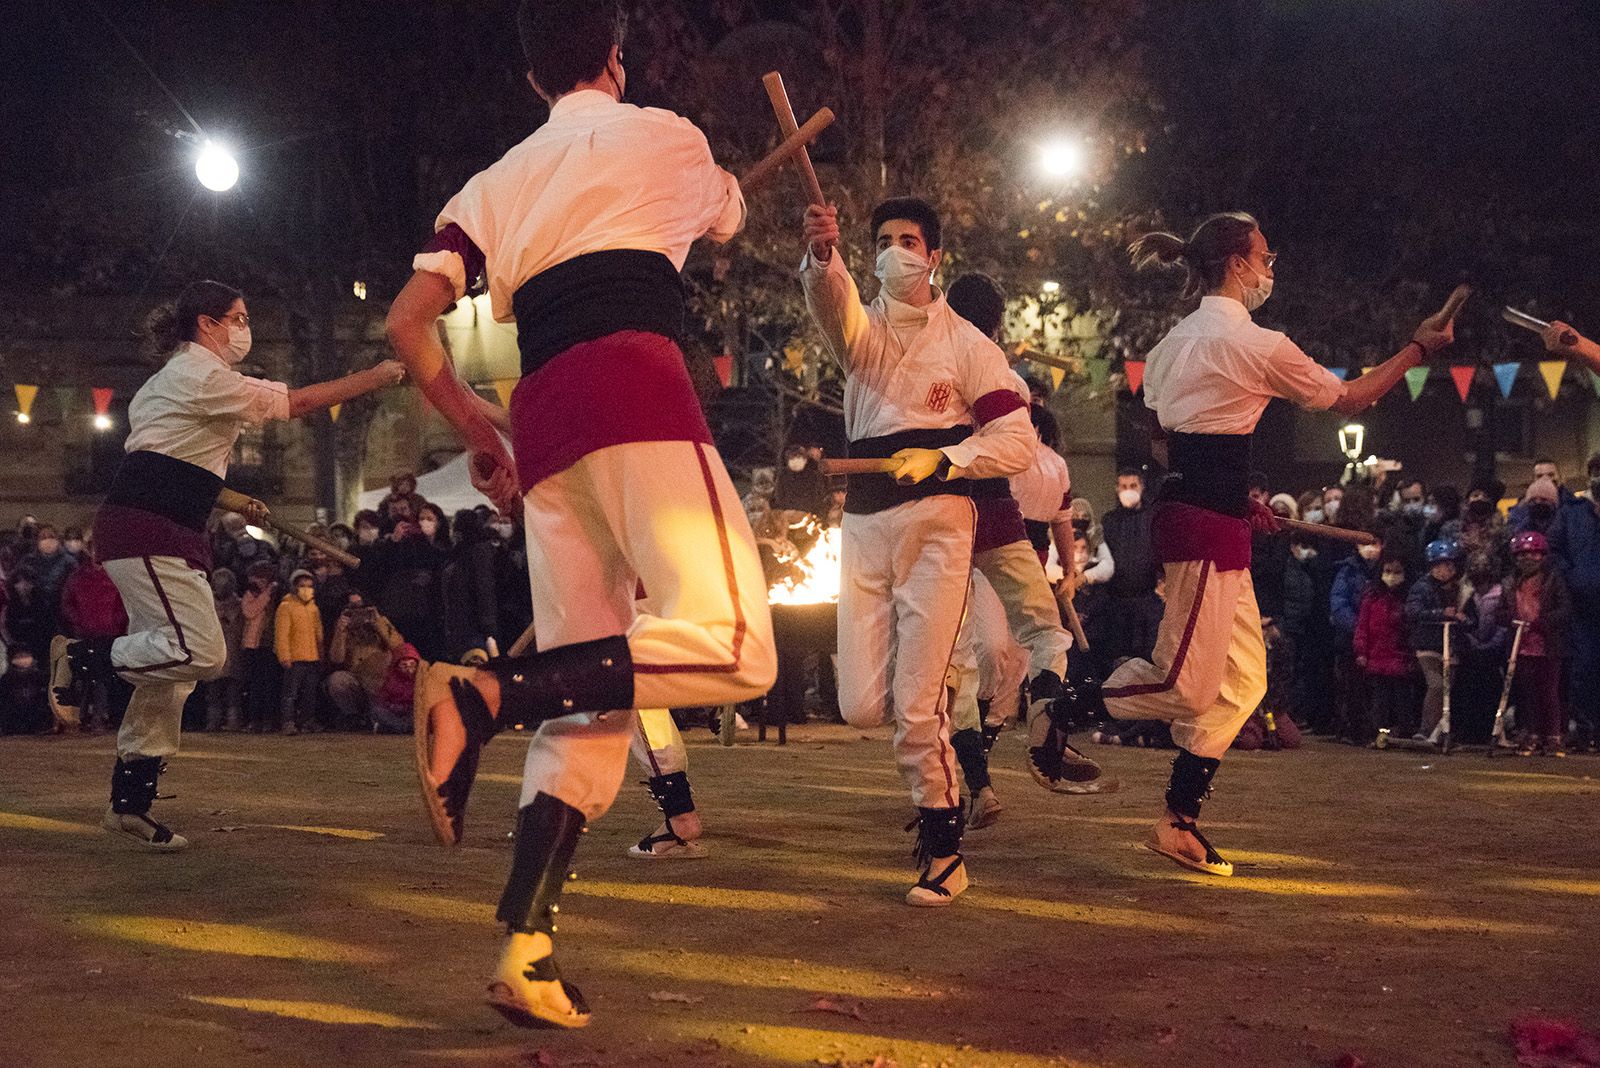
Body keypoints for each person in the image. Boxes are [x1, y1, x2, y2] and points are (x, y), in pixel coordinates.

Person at [384, 0, 775, 1029]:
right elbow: (731, 215)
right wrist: (715, 200)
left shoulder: (494, 181)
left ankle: (525, 949)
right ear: (614, 56)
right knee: (739, 646)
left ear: (530, 83)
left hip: (545, 414)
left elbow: (408, 323)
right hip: (637, 387)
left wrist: (476, 423)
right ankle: (480, 696)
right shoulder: (665, 134)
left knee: (590, 693)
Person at [1045, 211, 1454, 877]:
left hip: (1207, 518)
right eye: (1264, 256)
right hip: (1204, 528)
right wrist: (1418, 349)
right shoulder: (1258, 344)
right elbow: (1351, 399)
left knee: (1242, 683)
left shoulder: (1174, 343)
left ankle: (1180, 820)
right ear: (1237, 261)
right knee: (1185, 685)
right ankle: (1064, 705)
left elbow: (1179, 440)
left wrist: (1238, 496)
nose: (1270, 267)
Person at [50, 279, 402, 850]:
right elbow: (296, 404)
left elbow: (173, 462)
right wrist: (378, 376)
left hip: (162, 526)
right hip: (147, 529)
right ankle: (82, 658)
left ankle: (129, 805)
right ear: (207, 324)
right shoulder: (200, 375)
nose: (245, 327)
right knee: (201, 652)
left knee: (175, 672)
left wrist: (231, 496)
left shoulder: (176, 381)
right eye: (236, 318)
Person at [799, 195, 1034, 908]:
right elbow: (831, 299)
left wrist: (948, 460)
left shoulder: (969, 343)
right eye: (883, 241)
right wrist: (821, 253)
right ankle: (936, 726)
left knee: (915, 706)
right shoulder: (860, 332)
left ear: (934, 256)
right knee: (861, 705)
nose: (895, 251)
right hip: (865, 523)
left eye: (909, 240)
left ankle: (943, 849)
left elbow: (1016, 443)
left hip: (938, 522)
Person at [945, 271, 1098, 793]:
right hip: (999, 526)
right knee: (1037, 641)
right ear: (997, 323)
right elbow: (1058, 516)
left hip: (949, 519)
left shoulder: (936, 371)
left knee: (965, 660)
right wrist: (1070, 571)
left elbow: (1057, 516)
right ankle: (1042, 730)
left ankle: (977, 779)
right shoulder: (1007, 383)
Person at [1500, 531, 1571, 756]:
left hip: (1547, 645)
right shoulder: (1511, 582)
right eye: (1522, 555)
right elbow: (1501, 611)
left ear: (1543, 556)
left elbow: (1565, 609)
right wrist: (1511, 621)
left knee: (1549, 692)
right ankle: (1532, 733)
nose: (1528, 559)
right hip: (1521, 645)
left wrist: (1542, 623)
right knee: (1528, 692)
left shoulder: (1553, 579)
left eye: (1533, 554)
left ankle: (1553, 736)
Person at [1549, 451, 1600, 752]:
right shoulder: (1572, 512)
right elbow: (1554, 549)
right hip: (1581, 604)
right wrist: (1571, 575)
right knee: (1583, 668)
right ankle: (1584, 728)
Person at [59, 550, 130, 733]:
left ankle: (99, 717)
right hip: (84, 633)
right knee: (82, 677)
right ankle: (78, 717)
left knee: (102, 678)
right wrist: (78, 622)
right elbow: (68, 603)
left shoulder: (117, 576)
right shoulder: (77, 577)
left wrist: (116, 624)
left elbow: (124, 603)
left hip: (108, 635)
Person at [1101, 466, 1163, 669]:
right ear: (1116, 489)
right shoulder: (1109, 522)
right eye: (1124, 486)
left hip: (1148, 602)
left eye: (1133, 485)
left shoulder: (1153, 518)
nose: (1128, 490)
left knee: (1147, 659)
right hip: (1116, 604)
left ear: (1142, 487)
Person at [1405, 538, 1466, 742]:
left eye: (1449, 565)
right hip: (1429, 645)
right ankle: (1426, 729)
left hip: (1450, 646)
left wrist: (1464, 619)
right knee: (1437, 685)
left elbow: (1470, 616)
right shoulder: (1422, 587)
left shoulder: (1459, 590)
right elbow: (1414, 612)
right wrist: (1441, 613)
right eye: (1441, 565)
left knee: (1448, 690)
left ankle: (1442, 730)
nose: (1446, 570)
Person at [325, 593, 409, 732]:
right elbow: (336, 658)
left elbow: (398, 646)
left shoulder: (379, 625)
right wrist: (341, 632)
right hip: (358, 681)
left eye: (361, 607)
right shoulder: (343, 629)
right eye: (352, 608)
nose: (358, 612)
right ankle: (354, 716)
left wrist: (378, 621)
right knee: (337, 679)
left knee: (380, 714)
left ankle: (377, 719)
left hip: (380, 683)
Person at [1353, 554, 1413, 745]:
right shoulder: (1372, 597)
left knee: (1402, 700)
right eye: (1387, 571)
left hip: (1400, 658)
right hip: (1377, 658)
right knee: (1380, 701)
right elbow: (1362, 626)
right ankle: (1380, 734)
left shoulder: (1407, 599)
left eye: (1397, 572)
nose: (1392, 576)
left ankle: (1403, 734)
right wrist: (1361, 651)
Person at [274, 570, 325, 734]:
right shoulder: (286, 607)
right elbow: (282, 634)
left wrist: (320, 654)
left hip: (312, 657)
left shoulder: (313, 608)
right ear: (294, 587)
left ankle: (307, 721)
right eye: (302, 586)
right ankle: (288, 722)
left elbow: (319, 634)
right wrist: (284, 656)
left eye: (309, 586)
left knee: (309, 693)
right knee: (291, 693)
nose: (306, 589)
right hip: (295, 658)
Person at [203, 569, 246, 732]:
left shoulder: (238, 604)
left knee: (233, 693)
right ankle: (213, 722)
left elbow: (238, 629)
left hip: (233, 653)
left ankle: (233, 722)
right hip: (214, 652)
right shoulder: (208, 604)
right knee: (213, 692)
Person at [0, 647, 52, 735]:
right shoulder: (6, 679)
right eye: (19, 656)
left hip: (36, 721)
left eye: (25, 655)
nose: (23, 659)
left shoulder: (39, 677)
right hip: (12, 722)